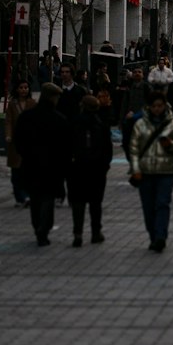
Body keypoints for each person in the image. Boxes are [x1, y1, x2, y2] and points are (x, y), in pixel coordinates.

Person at [130, 90, 173, 251]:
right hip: (146, 172)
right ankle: (153, 235)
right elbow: (134, 149)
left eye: (160, 106)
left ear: (165, 106)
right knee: (148, 207)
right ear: (149, 107)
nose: (157, 109)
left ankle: (161, 236)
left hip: (166, 171)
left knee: (162, 204)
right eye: (154, 106)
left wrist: (171, 145)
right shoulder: (140, 125)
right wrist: (135, 169)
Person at [14, 82, 71, 245]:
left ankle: (37, 225)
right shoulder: (59, 120)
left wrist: (25, 154)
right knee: (48, 198)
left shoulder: (27, 117)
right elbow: (65, 147)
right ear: (52, 98)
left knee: (36, 197)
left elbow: (19, 141)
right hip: (52, 167)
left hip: (31, 164)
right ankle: (43, 228)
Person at [67, 94, 113, 246]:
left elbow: (67, 147)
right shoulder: (101, 125)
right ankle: (95, 232)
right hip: (97, 169)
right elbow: (108, 149)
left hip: (77, 168)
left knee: (78, 202)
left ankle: (78, 233)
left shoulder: (74, 123)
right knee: (95, 202)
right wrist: (105, 166)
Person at [4, 78, 36, 207]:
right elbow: (8, 121)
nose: (24, 90)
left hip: (29, 142)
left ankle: (27, 195)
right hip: (16, 142)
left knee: (28, 171)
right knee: (16, 171)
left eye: (26, 88)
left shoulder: (32, 103)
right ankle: (20, 196)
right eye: (21, 87)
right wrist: (8, 135)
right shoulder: (12, 104)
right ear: (17, 89)